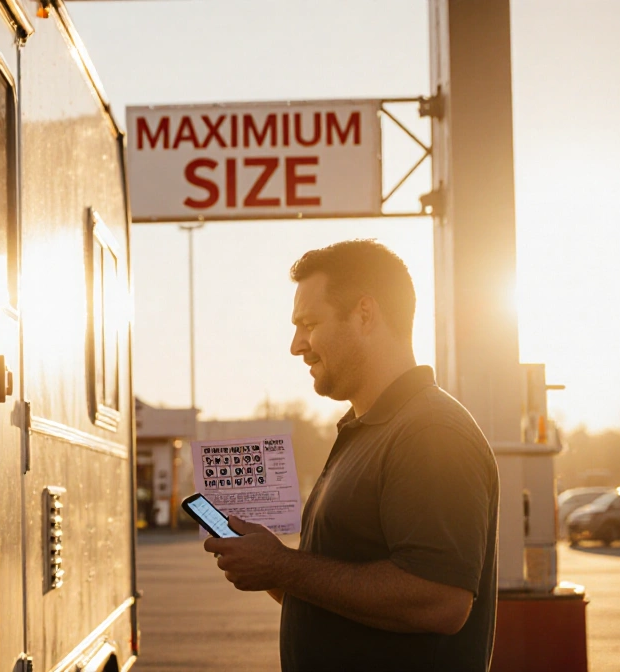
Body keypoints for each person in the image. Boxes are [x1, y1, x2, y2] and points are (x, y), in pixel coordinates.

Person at [203, 239, 499, 671]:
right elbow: (338, 590)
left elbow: (440, 601)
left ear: (365, 314)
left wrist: (283, 566)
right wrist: (268, 566)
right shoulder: (361, 430)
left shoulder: (431, 432)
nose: (296, 345)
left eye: (308, 323)